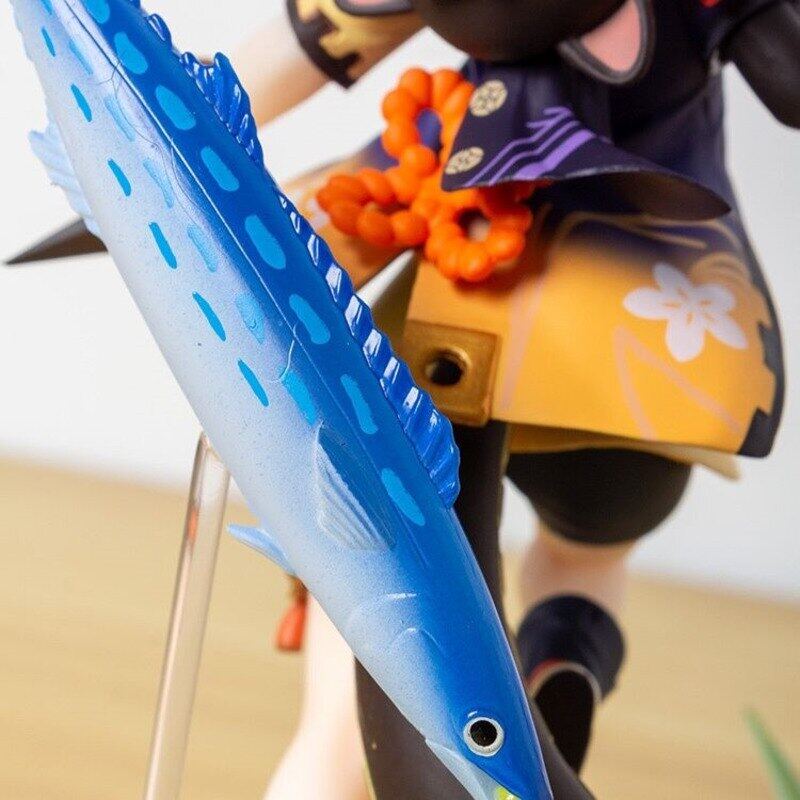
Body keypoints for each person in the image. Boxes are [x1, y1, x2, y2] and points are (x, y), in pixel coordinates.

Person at [229, 1, 798, 796]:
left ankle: (330, 763)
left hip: (445, 344)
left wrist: (162, 126)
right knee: (584, 555)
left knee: (371, 628)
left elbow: (303, 47)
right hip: (634, 364)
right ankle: (568, 651)